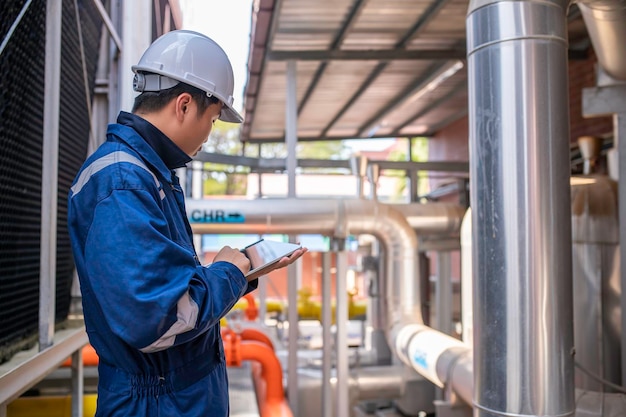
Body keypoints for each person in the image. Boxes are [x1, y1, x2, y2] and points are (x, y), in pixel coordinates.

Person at [68, 30, 306, 417]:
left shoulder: (147, 173)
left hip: (170, 399)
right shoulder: (123, 182)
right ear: (183, 105)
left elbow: (167, 293)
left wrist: (242, 271)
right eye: (212, 119)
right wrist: (230, 271)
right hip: (155, 405)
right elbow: (158, 319)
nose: (209, 136)